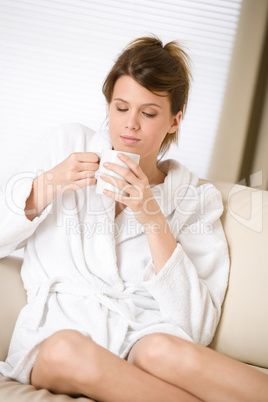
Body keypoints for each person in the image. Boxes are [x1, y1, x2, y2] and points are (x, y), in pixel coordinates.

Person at [0, 36, 267, 402]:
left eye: (149, 113)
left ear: (175, 120)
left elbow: (198, 326)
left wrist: (151, 216)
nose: (130, 126)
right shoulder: (66, 146)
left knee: (162, 350)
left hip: (139, 336)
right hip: (56, 333)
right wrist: (49, 184)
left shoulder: (193, 198)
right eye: (121, 108)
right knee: (68, 349)